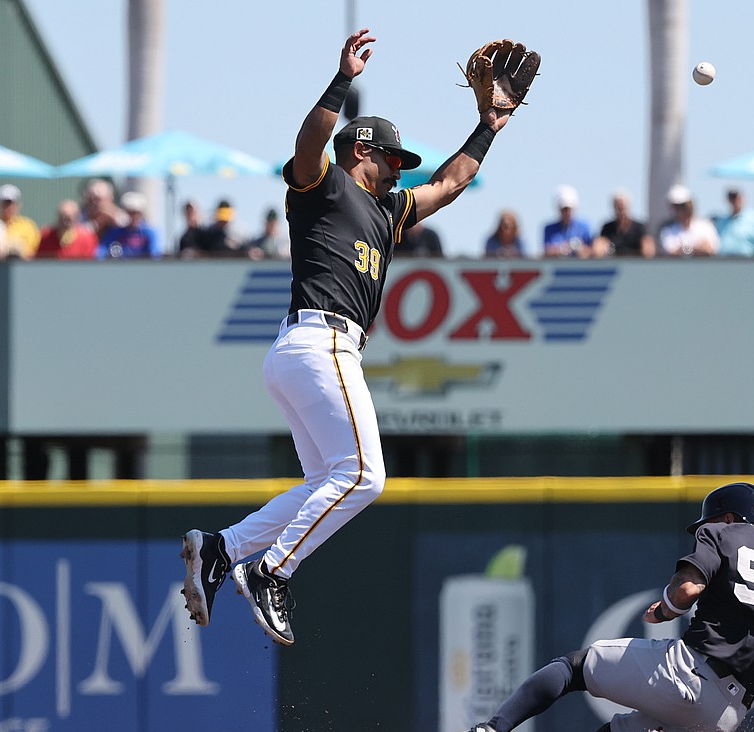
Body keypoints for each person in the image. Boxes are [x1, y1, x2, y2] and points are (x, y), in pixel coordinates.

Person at [180, 28, 520, 646]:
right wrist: (342, 80)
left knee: (325, 483)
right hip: (321, 343)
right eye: (394, 159)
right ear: (366, 150)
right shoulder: (327, 186)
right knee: (366, 476)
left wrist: (490, 124)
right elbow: (309, 143)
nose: (400, 170)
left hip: (308, 351)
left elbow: (450, 184)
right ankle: (273, 571)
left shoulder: (387, 212)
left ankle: (221, 548)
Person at [414, 482, 754, 732]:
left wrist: (665, 610)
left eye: (712, 521)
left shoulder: (724, 535)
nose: (707, 528)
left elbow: (688, 590)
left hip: (688, 672)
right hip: (725, 718)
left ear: (732, 519)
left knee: (572, 668)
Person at [97, 191, 162, 259]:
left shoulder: (150, 233)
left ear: (141, 214)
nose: (132, 216)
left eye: (135, 213)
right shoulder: (115, 232)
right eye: (128, 212)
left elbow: (155, 255)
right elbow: (101, 252)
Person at [658, 185, 718, 257]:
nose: (682, 210)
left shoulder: (706, 226)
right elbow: (670, 252)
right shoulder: (667, 229)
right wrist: (695, 248)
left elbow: (709, 249)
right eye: (678, 206)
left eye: (684, 205)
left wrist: (683, 249)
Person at [593, 189, 654, 258]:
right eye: (618, 207)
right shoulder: (607, 228)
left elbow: (649, 250)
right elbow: (598, 248)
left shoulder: (639, 227)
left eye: (623, 207)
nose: (621, 211)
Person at [714, 187, 754, 257]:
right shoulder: (721, 221)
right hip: (724, 261)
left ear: (742, 198)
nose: (734, 201)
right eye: (731, 198)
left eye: (736, 198)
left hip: (747, 262)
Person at [543, 185, 592, 257]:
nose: (568, 212)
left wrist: (579, 249)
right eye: (564, 209)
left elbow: (591, 251)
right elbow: (547, 251)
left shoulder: (584, 227)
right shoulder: (549, 228)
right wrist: (565, 248)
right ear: (559, 209)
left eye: (570, 209)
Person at [0, 184, 41, 259]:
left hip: (22, 266)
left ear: (18, 205)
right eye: (4, 203)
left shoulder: (28, 226)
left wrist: (20, 250)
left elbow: (36, 252)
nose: (8, 207)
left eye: (10, 203)